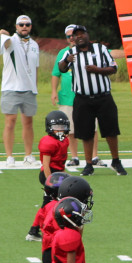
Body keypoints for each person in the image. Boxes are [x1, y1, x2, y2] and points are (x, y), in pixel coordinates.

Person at [59, 24, 125, 175]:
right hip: (82, 99)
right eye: (76, 35)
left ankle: (116, 160)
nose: (79, 36)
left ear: (87, 35)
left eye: (82, 33)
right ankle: (89, 164)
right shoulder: (70, 52)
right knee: (85, 132)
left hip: (103, 97)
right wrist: (67, 61)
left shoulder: (100, 49)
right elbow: (61, 68)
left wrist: (98, 70)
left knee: (111, 131)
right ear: (73, 38)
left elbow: (113, 68)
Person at [0, 14, 41, 167]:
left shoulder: (35, 45)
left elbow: (35, 68)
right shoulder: (11, 41)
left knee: (28, 122)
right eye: (21, 24)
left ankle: (28, 155)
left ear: (31, 26)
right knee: (10, 122)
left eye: (27, 24)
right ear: (16, 27)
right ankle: (9, 156)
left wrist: (34, 87)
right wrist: (2, 34)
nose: (24, 27)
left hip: (29, 89)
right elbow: (5, 42)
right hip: (11, 87)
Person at [26, 111, 72, 241]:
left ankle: (38, 229)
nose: (60, 130)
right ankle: (35, 230)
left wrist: (64, 177)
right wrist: (50, 181)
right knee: (48, 204)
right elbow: (46, 165)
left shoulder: (65, 140)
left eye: (62, 127)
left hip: (58, 174)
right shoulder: (48, 142)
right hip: (49, 174)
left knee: (52, 203)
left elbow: (61, 162)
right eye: (57, 127)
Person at [50, 24, 80, 166]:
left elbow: (111, 53)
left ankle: (94, 156)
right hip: (67, 97)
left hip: (85, 96)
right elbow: (56, 73)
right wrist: (54, 91)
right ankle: (74, 156)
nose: (72, 38)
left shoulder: (88, 50)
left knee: (91, 129)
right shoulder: (63, 53)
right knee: (71, 129)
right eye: (69, 36)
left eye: (73, 35)